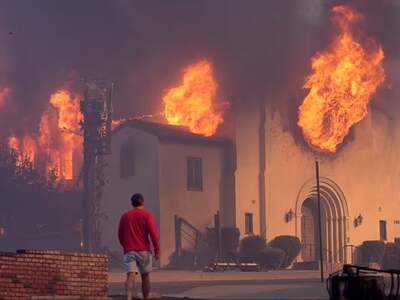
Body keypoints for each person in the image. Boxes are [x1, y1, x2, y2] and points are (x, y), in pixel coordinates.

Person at [118, 193, 160, 300]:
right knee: (145, 276)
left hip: (129, 250)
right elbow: (153, 234)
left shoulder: (125, 216)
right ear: (143, 202)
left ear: (132, 203)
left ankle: (128, 297)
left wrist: (125, 246)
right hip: (144, 251)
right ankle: (145, 298)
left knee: (130, 274)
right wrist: (157, 250)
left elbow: (120, 234)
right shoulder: (147, 215)